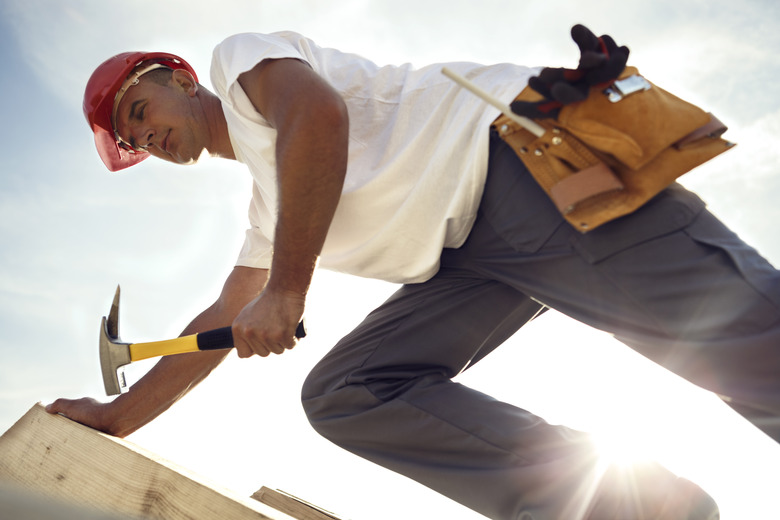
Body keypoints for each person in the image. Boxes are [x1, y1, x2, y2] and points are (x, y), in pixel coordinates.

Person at [47, 26, 780, 519]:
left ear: (174, 79)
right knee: (348, 391)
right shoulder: (271, 209)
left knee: (744, 340)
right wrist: (117, 416)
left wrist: (288, 289)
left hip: (515, 163)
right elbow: (222, 318)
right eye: (133, 137)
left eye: (141, 109)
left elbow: (318, 117)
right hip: (467, 256)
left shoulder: (239, 67)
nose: (146, 133)